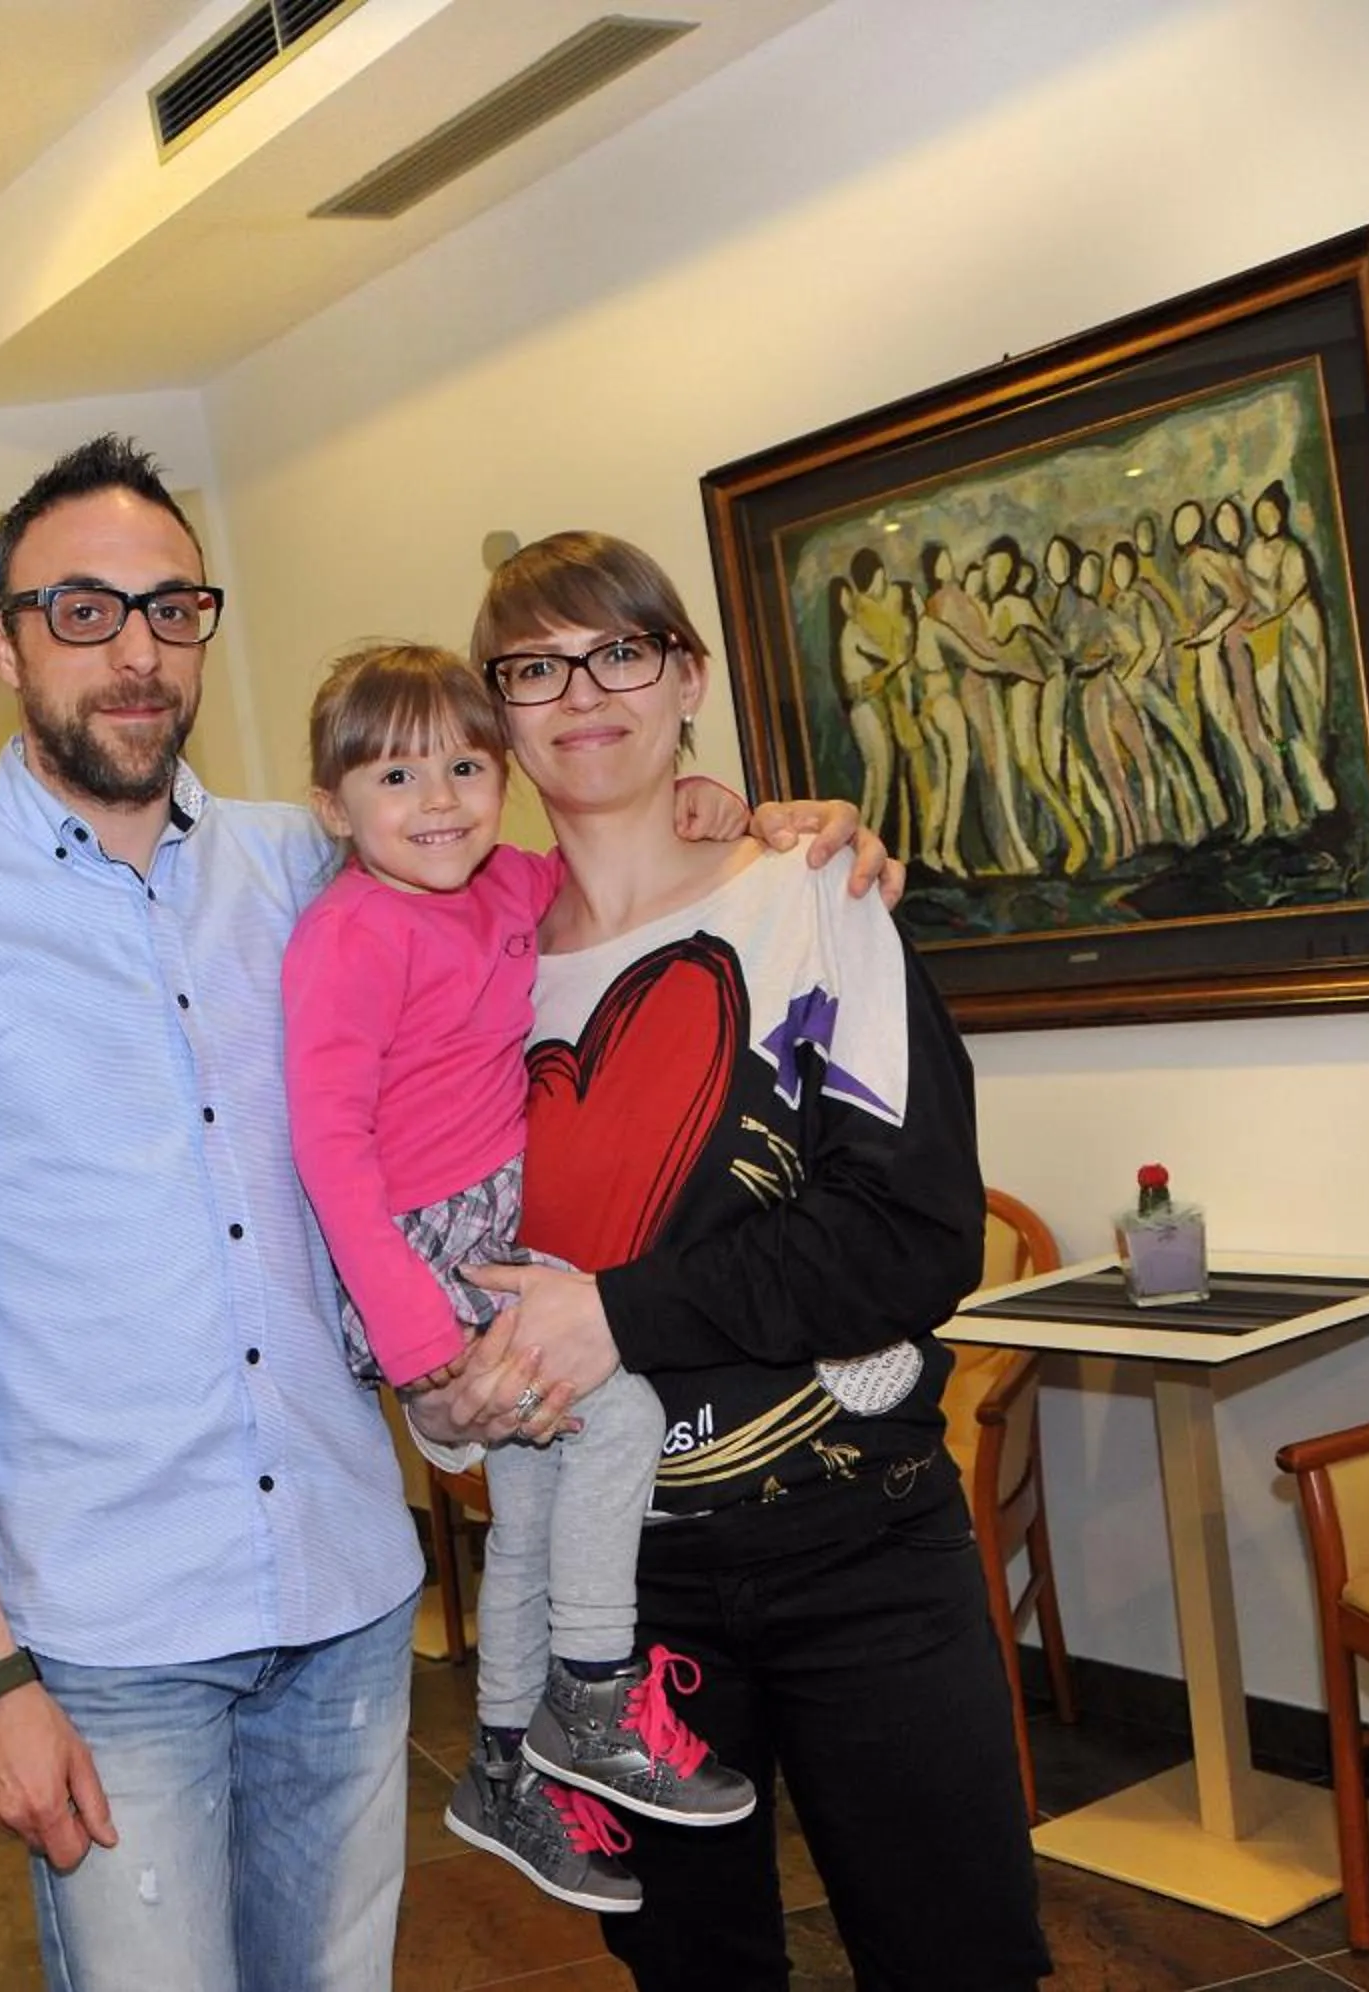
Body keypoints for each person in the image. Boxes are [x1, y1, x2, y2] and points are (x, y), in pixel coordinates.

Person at [0, 438, 886, 1992]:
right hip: (112, 1634)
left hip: (348, 1587)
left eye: (173, 608)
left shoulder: (305, 858)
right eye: (84, 610)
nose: (137, 650)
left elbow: (528, 875)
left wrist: (726, 814)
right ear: (3, 639)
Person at [421, 530, 1051, 1990]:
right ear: (497, 712)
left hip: (859, 1546)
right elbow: (421, 1240)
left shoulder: (814, 894)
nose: (584, 693)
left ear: (688, 676)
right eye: (535, 669)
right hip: (618, 1609)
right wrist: (440, 1390)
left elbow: (912, 1235)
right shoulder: (465, 972)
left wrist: (619, 1315)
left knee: (959, 1961)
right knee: (695, 1975)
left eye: (620, 652)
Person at [279, 642, 755, 1917]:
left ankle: (502, 1761)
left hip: (500, 1227)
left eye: (464, 767)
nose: (438, 800)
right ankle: (592, 1694)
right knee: (625, 1417)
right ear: (334, 806)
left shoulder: (507, 882)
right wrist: (414, 1335)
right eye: (395, 777)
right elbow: (327, 1144)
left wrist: (702, 801)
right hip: (424, 1251)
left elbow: (617, 860)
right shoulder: (350, 934)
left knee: (538, 1489)